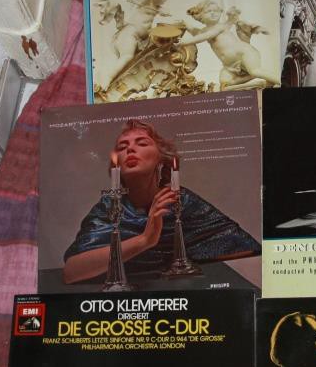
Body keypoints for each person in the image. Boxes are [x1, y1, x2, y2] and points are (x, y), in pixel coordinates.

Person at [63, 120, 260, 284]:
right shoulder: (109, 207)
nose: (130, 149)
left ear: (161, 159)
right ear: (117, 165)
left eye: (142, 144)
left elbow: (244, 248)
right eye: (122, 147)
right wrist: (145, 240)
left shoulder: (179, 201)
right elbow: (72, 272)